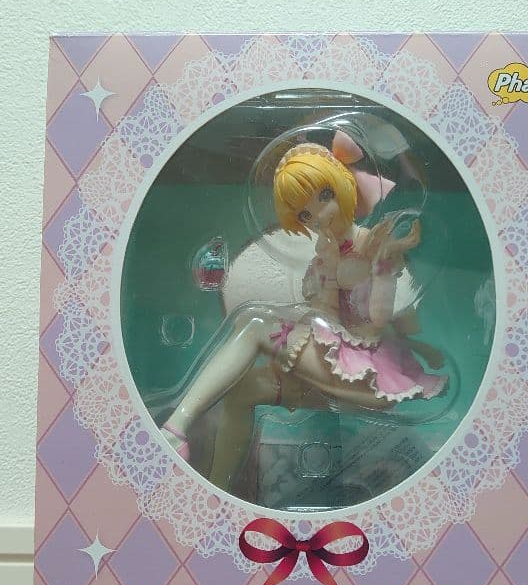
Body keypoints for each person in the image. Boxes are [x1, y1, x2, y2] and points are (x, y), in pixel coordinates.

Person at [161, 138, 447, 489]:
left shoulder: (374, 245)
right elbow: (328, 314)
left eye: (325, 196)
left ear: (344, 184)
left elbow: (380, 318)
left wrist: (383, 272)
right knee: (242, 391)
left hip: (366, 373)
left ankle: (176, 426)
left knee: (254, 324)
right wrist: (295, 336)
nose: (320, 215)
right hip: (336, 363)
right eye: (305, 214)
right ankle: (218, 488)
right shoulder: (327, 252)